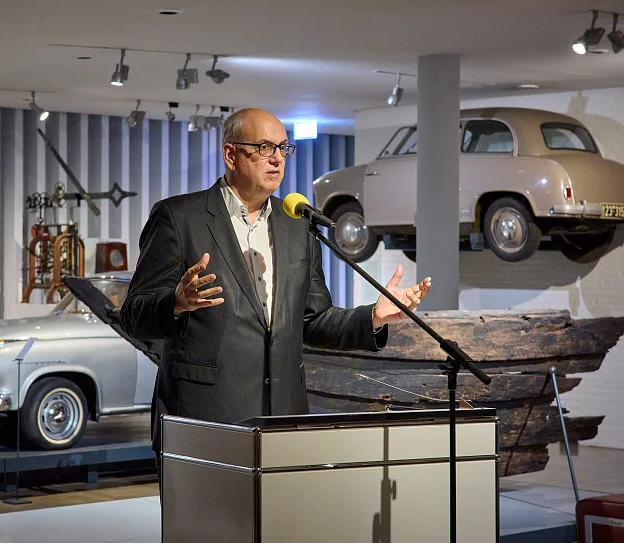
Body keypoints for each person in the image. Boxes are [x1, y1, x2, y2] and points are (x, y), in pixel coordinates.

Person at [119, 108, 431, 456]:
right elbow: (133, 315)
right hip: (204, 416)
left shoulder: (297, 225)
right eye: (265, 147)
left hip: (283, 417)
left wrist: (372, 316)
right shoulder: (178, 218)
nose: (278, 159)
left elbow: (312, 320)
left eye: (284, 148)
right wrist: (175, 303)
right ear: (231, 154)